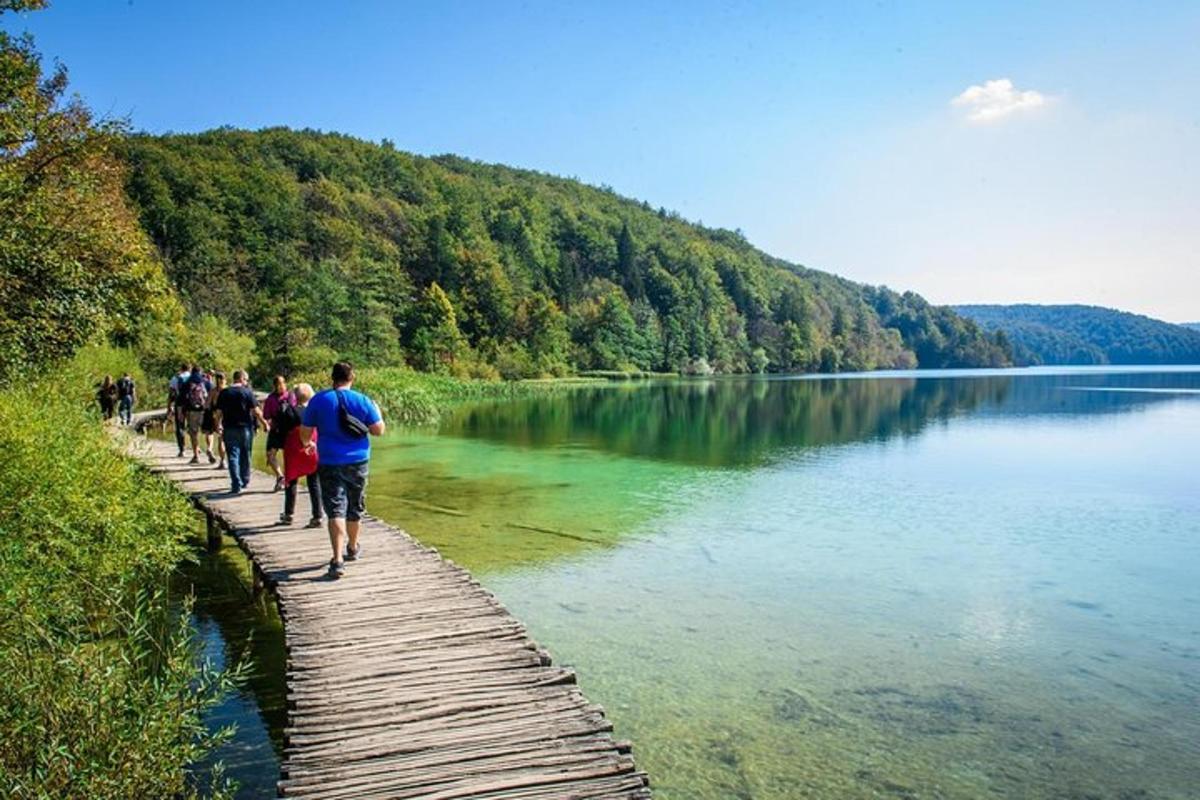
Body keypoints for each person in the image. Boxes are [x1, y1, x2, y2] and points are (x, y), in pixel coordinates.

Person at [300, 362, 384, 579]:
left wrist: (310, 443)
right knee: (355, 506)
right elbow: (378, 431)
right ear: (352, 377)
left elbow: (305, 434)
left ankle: (337, 560)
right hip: (358, 461)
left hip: (329, 461)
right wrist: (378, 412)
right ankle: (353, 547)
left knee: (335, 509)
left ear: (332, 378)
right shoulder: (363, 400)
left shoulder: (318, 400)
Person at [276, 383, 323, 528]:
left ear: (295, 396)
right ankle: (317, 516)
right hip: (312, 448)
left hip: (293, 450)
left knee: (291, 482)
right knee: (314, 483)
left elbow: (281, 431)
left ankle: (288, 515)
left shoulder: (288, 411)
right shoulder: (316, 411)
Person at [213, 369, 267, 495]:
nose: (247, 382)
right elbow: (256, 411)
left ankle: (235, 483)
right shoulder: (247, 392)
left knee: (232, 456)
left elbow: (218, 413)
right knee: (246, 454)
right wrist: (264, 423)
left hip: (229, 428)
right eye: (246, 380)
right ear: (241, 379)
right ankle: (245, 480)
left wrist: (217, 425)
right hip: (245, 429)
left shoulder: (224, 393)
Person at [262, 375, 296, 492]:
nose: (281, 386)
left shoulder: (273, 398)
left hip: (280, 430)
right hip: (283, 430)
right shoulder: (290, 396)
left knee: (272, 455)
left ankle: (283, 478)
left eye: (282, 384)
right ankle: (282, 477)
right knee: (271, 455)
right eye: (279, 384)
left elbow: (266, 415)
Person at [182, 365, 214, 464]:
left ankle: (196, 456)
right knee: (209, 432)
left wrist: (183, 413)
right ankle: (209, 449)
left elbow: (183, 398)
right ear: (201, 371)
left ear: (192, 371)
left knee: (193, 433)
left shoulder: (187, 382)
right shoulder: (206, 382)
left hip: (192, 411)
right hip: (205, 411)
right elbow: (212, 395)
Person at [166, 363, 191, 456]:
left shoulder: (175, 378)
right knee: (192, 426)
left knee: (180, 426)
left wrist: (169, 407)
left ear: (181, 368)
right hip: (192, 405)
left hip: (180, 404)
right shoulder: (193, 377)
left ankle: (182, 449)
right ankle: (196, 448)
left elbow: (171, 393)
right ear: (189, 368)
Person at [203, 371, 227, 470]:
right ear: (225, 380)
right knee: (223, 439)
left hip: (215, 415)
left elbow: (207, 405)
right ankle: (224, 460)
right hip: (227, 416)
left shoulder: (213, 391)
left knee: (214, 435)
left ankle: (211, 450)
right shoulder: (228, 390)